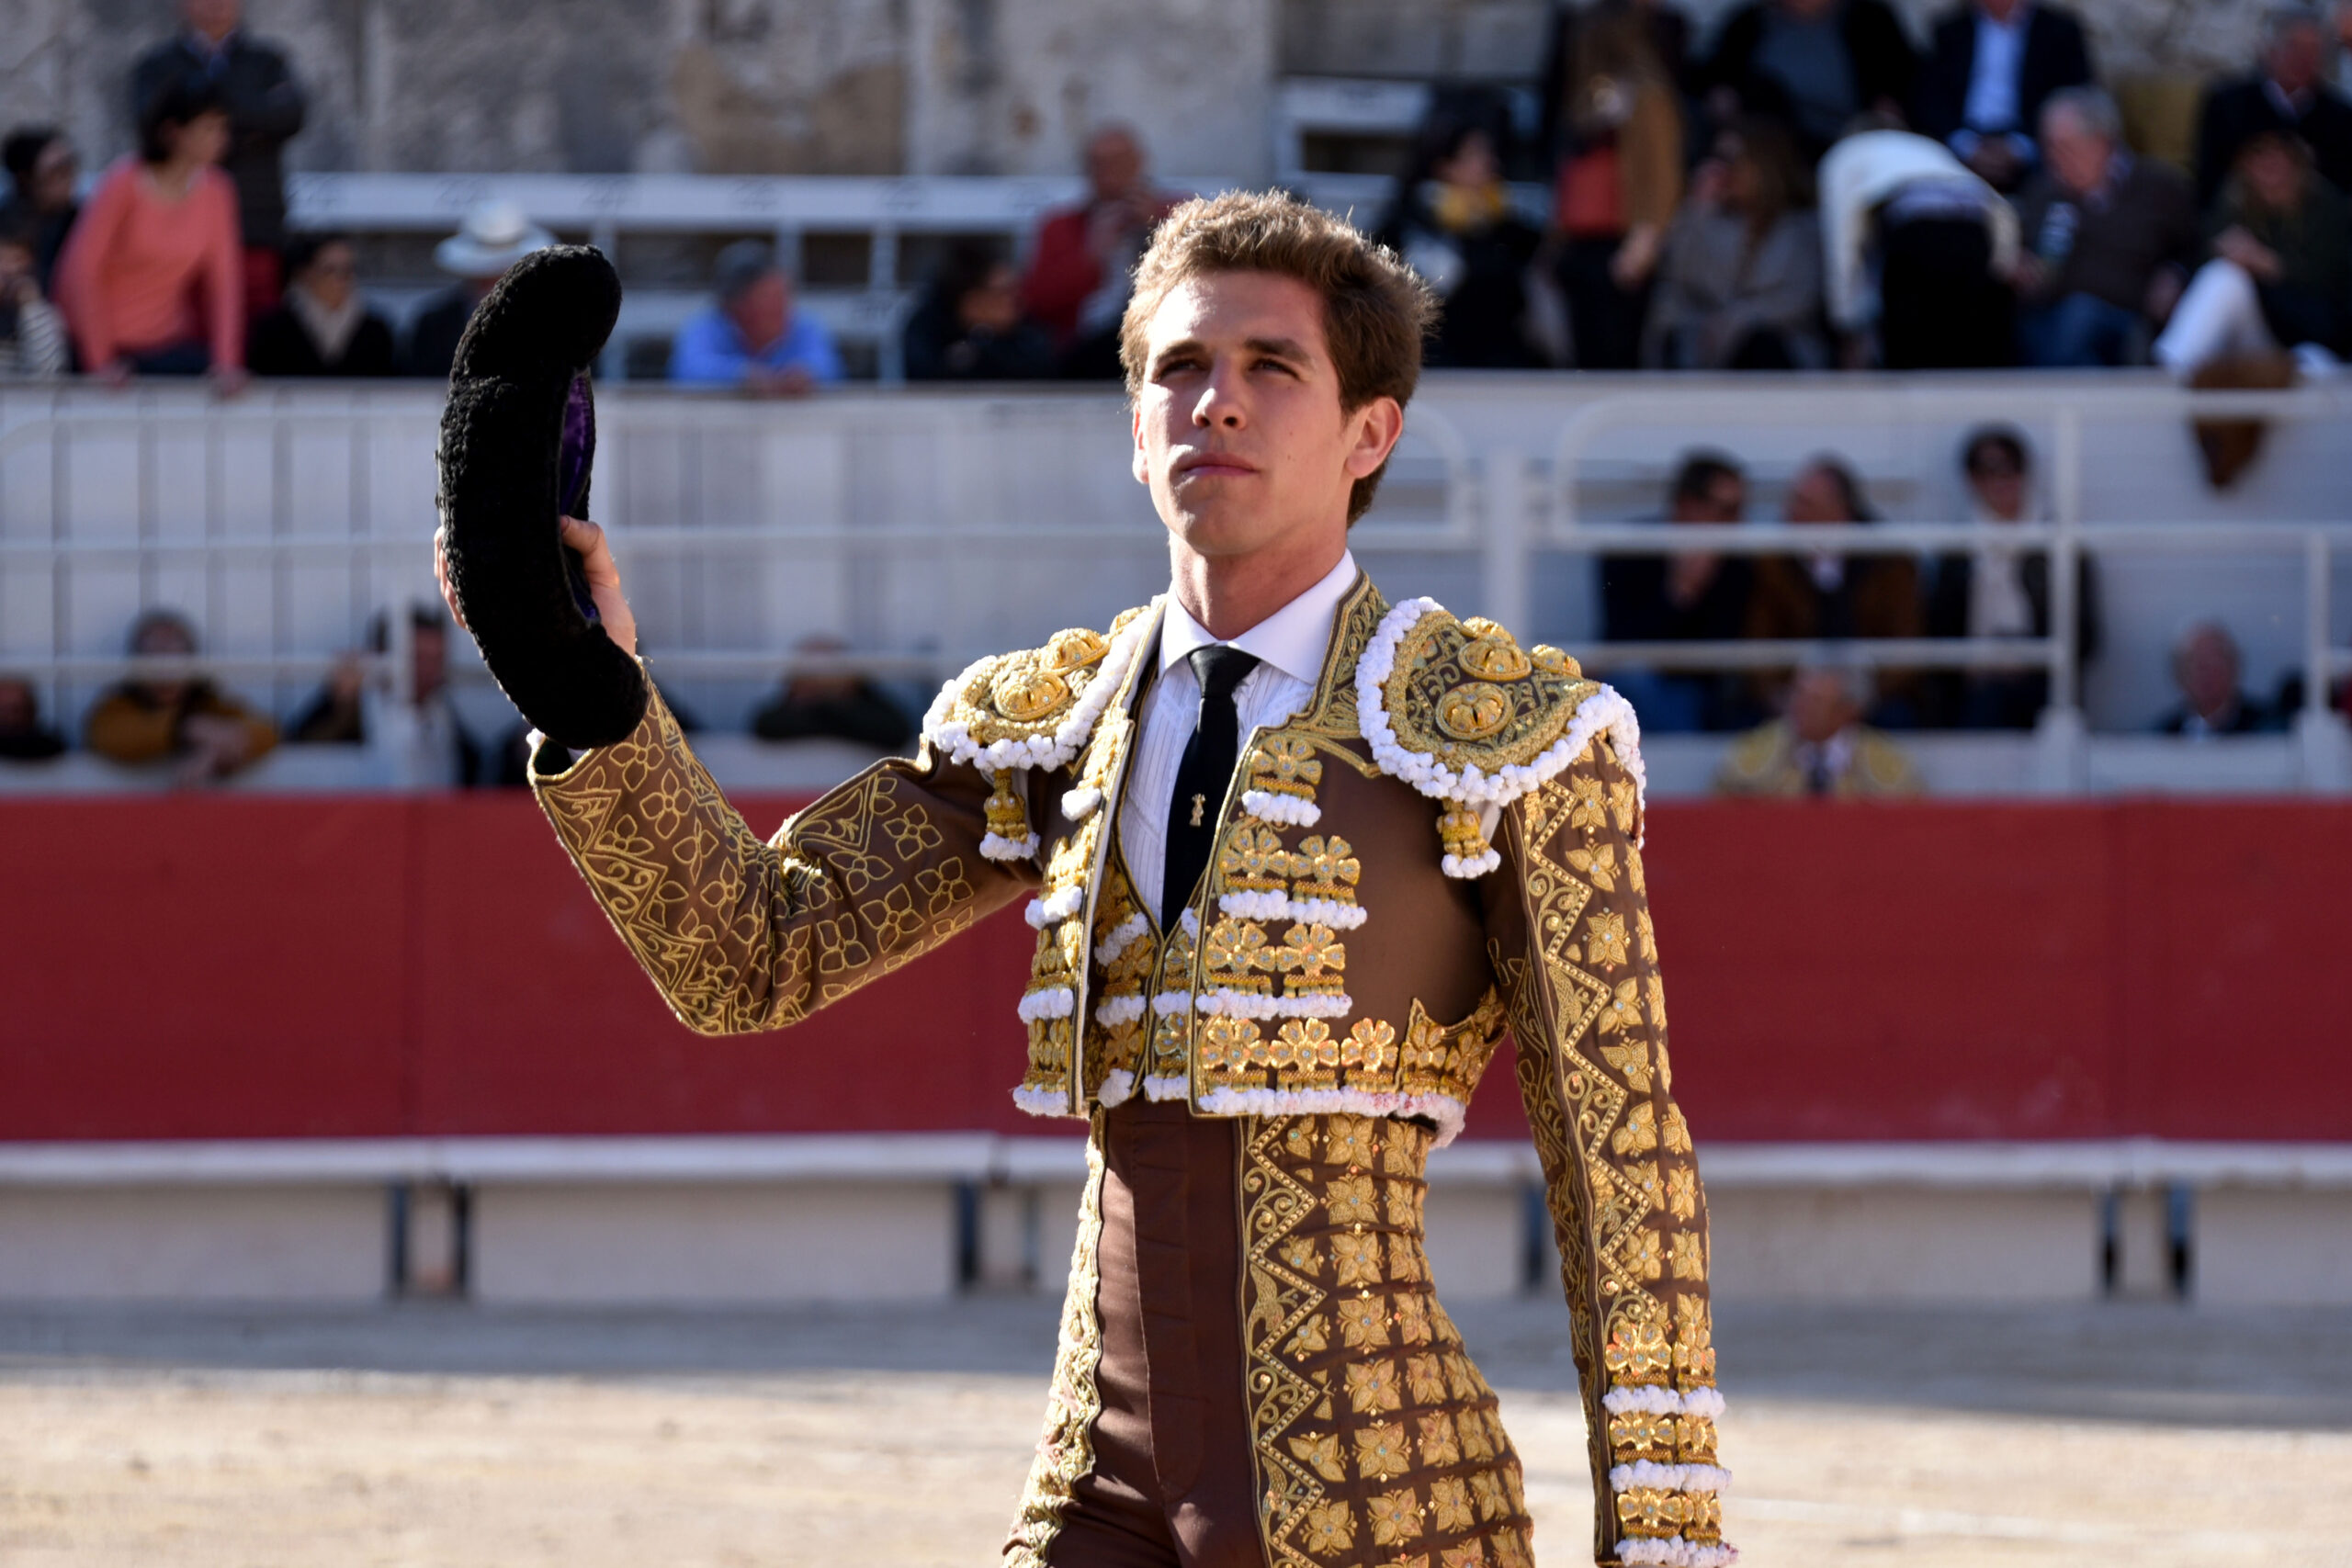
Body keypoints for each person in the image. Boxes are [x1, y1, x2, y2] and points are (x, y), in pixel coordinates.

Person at [444, 190, 1730, 1568]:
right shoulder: (1051, 722)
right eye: (1179, 367)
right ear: (1132, 427)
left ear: (1371, 433)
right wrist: (591, 695)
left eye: (1271, 367)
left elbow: (1622, 1167)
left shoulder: (1505, 737)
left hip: (1380, 1498)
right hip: (1093, 1492)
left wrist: (1662, 1542)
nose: (1214, 402)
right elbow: (750, 954)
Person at [53, 73, 245, 391]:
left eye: (223, 128)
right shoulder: (124, 182)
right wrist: (100, 361)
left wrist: (226, 363)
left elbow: (225, 283)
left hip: (165, 344)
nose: (221, 138)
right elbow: (80, 271)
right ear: (173, 132)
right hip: (97, 346)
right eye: (209, 128)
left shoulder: (218, 191)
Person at [130, 0, 306, 319]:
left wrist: (198, 116)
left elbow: (289, 117)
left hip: (252, 228)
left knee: (255, 331)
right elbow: (151, 125)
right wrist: (253, 125)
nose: (216, 4)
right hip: (175, 229)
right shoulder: (156, 65)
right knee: (183, 331)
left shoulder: (268, 61)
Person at [2009, 87, 2200, 367]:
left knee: (2080, 315)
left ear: (2102, 143)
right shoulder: (2041, 192)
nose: (2052, 158)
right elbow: (2021, 252)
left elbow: (2197, 247)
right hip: (2049, 318)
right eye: (2047, 146)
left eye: (2064, 147)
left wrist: (2176, 274)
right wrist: (2021, 266)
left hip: (2128, 321)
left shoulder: (2159, 187)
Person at [1925, 426, 2100, 728]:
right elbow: (1940, 628)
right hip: (1976, 686)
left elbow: (2086, 635)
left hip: (2043, 681)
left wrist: (2026, 658)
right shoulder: (1957, 550)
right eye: (1988, 470)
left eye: (2012, 467)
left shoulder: (2059, 542)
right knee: (1984, 706)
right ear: (1971, 479)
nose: (2002, 480)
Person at [1544, 0, 1685, 369]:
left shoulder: (1649, 96)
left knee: (1617, 355)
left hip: (1623, 242)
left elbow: (1662, 173)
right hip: (1580, 243)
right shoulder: (1582, 100)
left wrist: (1645, 240)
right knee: (1583, 356)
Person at [2155, 129, 2352, 380]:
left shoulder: (2329, 209)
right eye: (2258, 155)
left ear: (2298, 160)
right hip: (2254, 338)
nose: (2268, 165)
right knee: (2224, 275)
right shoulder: (2232, 204)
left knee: (2313, 369)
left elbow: (2334, 292)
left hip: (2312, 346)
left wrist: (2273, 266)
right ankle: (2169, 371)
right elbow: (2200, 269)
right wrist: (2228, 257)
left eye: (2278, 155)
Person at [1818, 122, 2018, 367]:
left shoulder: (1844, 155)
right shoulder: (1927, 147)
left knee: (1913, 353)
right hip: (1974, 231)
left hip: (1917, 234)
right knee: (1971, 346)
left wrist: (1847, 321)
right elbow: (1994, 204)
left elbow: (1842, 233)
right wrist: (2004, 263)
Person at [1745, 455, 1925, 721]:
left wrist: (1863, 699)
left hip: (1872, 695)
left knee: (1899, 719)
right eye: (1793, 501)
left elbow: (1905, 646)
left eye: (1804, 503)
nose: (1791, 513)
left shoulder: (1891, 564)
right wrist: (1780, 697)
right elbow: (1759, 643)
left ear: (1840, 511)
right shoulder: (1772, 564)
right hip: (1794, 695)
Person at [1646, 118, 1827, 367]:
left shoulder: (1801, 227)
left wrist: (1740, 320)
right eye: (1718, 160)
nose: (1724, 172)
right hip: (1710, 349)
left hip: (1780, 352)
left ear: (1764, 165)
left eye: (1734, 161)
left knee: (1760, 343)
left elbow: (1800, 299)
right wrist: (1698, 210)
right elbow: (1684, 278)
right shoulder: (1713, 221)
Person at [1599, 450, 1758, 731]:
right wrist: (1678, 595)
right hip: (1635, 683)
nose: (1735, 523)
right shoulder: (1628, 549)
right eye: (1725, 510)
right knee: (1633, 684)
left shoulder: (1735, 566)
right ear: (1687, 505)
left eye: (1738, 511)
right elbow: (1622, 639)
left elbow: (1717, 660)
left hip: (1697, 692)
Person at [1376, 116, 1545, 367]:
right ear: (1444, 166)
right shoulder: (1407, 226)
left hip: (1500, 363)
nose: (1490, 163)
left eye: (1490, 153)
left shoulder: (1508, 229)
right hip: (1433, 363)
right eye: (1475, 154)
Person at [1019, 124, 1182, 378]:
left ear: (1139, 163)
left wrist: (1157, 228)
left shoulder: (1176, 215)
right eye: (1099, 164)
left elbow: (1204, 280)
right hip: (1085, 348)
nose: (1109, 172)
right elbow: (1037, 303)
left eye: (1119, 162)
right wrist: (1090, 257)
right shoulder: (1060, 227)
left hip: (1163, 339)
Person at [1909, 0, 2096, 192]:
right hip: (1963, 145)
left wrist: (2020, 147)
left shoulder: (2059, 31)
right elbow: (1930, 100)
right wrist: (1966, 145)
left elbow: (2074, 99)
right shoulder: (1950, 31)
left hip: (2035, 149)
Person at [1698, 0, 1919, 160]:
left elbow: (1904, 85)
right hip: (1774, 152)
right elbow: (1714, 81)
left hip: (1851, 142)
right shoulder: (1748, 25)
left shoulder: (1871, 20)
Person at [289, 604, 481, 787]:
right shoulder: (353, 709)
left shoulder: (442, 717)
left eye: (437, 659)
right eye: (419, 658)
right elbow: (296, 755)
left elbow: (472, 770)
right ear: (384, 656)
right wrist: (340, 706)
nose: (430, 670)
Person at [84, 609, 277, 784]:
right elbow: (110, 736)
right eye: (154, 656)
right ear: (137, 664)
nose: (165, 668)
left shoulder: (209, 703)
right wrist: (189, 728)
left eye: (174, 655)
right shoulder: (118, 706)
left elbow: (266, 731)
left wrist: (214, 752)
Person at [2194, 5, 2352, 209]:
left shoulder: (2340, 116)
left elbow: (2341, 188)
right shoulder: (2228, 104)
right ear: (2270, 50)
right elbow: (2209, 179)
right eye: (2294, 47)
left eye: (2313, 50)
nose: (2303, 59)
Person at [1714, 661, 1923, 795]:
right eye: (1798, 694)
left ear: (1847, 711)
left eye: (1815, 700)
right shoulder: (1752, 754)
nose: (1799, 706)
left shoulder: (1888, 763)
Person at [404, 200, 556, 380]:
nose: (494, 282)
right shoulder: (434, 326)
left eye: (505, 271)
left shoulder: (555, 326)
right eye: (485, 273)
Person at [669, 240, 842, 393]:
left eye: (783, 295)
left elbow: (830, 367)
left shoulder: (803, 325)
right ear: (737, 303)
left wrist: (805, 374)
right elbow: (689, 369)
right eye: (769, 297)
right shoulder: (706, 327)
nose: (781, 307)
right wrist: (741, 375)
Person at [247, 232, 397, 378]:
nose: (342, 278)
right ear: (306, 273)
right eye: (330, 269)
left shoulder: (375, 329)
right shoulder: (274, 328)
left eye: (348, 269)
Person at [902, 241, 1055, 381]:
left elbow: (1044, 373)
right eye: (1004, 292)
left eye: (1016, 289)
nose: (1016, 299)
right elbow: (927, 378)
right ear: (971, 301)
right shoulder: (929, 330)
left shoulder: (1028, 331)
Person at [749, 636, 918, 750]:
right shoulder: (788, 711)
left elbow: (896, 733)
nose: (821, 678)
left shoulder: (867, 705)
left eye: (831, 667)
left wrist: (838, 705)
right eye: (812, 670)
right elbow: (764, 727)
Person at [2156, 620, 2276, 734]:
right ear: (2179, 674)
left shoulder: (2267, 728)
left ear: (2233, 666)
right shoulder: (2162, 735)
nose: (2204, 673)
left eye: (2214, 661)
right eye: (2195, 662)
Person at [0, 127, 79, 296]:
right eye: (57, 172)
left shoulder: (81, 221)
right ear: (26, 178)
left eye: (70, 168)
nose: (69, 179)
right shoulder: (8, 224)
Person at [0, 217, 69, 378]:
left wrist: (31, 307)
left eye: (16, 260)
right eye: (0, 259)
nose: (7, 269)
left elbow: (48, 372)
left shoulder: (42, 312)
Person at [0, 676, 66, 761]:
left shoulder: (46, 745)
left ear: (30, 711)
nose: (8, 717)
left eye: (16, 709)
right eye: (2, 710)